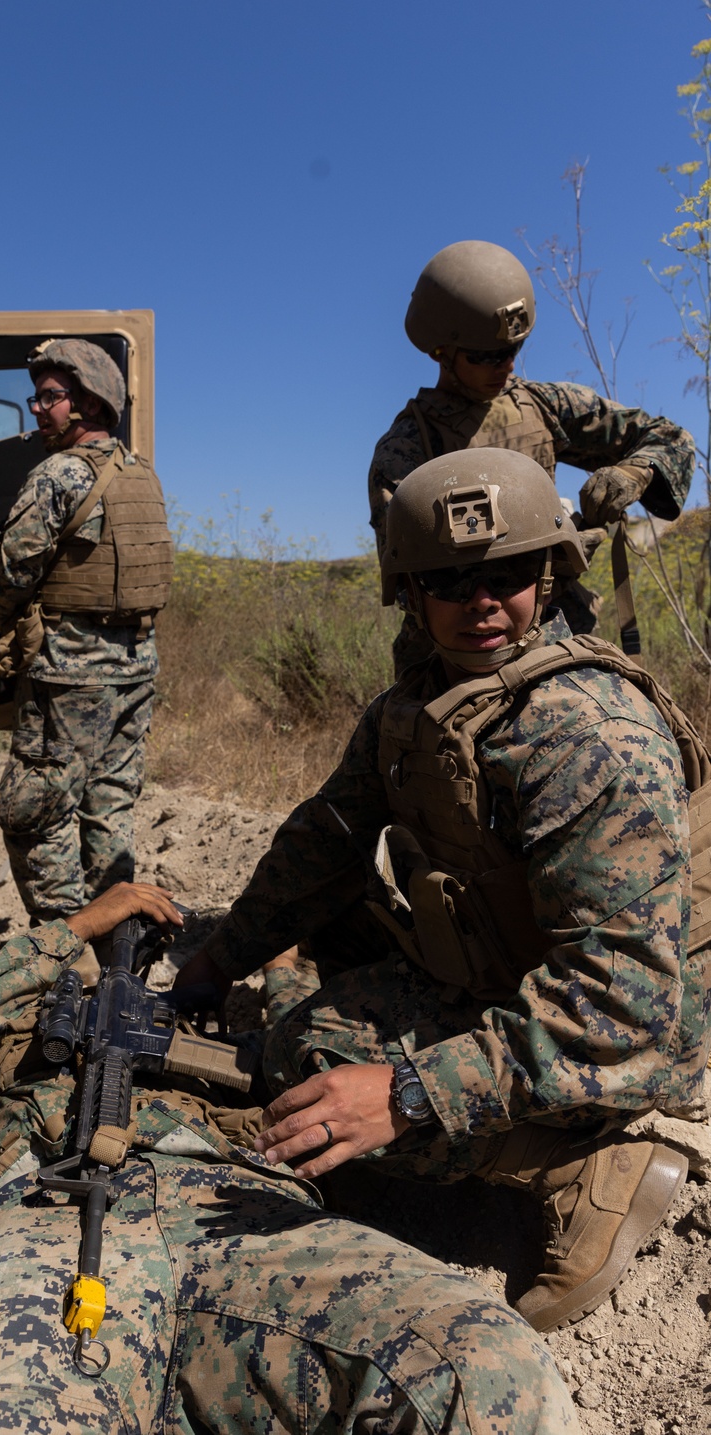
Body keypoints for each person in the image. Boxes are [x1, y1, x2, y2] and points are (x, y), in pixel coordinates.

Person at [177, 447, 709, 1336]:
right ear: (410, 595)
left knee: (316, 1074)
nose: (483, 602)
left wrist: (406, 1092)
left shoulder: (585, 736)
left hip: (623, 1035)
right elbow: (324, 845)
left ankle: (589, 1165)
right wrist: (212, 961)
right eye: (451, 579)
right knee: (303, 1028)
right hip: (517, 975)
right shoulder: (418, 705)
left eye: (508, 573)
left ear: (548, 573)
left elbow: (625, 1003)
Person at [0, 881, 580, 1435]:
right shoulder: (18, 1047)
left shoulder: (221, 1048)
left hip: (239, 1212)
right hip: (47, 1211)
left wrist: (280, 970)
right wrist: (83, 923)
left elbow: (309, 1048)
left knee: (489, 1373)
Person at [369, 240, 696, 671]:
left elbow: (669, 437)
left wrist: (634, 473)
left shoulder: (544, 405)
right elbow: (413, 577)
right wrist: (553, 549)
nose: (505, 366)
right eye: (487, 356)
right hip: (452, 654)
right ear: (440, 352)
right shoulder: (407, 446)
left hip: (554, 633)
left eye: (513, 351)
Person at [0, 338, 174, 922]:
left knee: (30, 808)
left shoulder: (57, 475)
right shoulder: (141, 475)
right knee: (109, 805)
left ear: (91, 404)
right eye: (37, 396)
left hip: (71, 677)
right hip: (135, 672)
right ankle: (116, 940)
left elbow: (12, 575)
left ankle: (64, 944)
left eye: (50, 397)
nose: (36, 408)